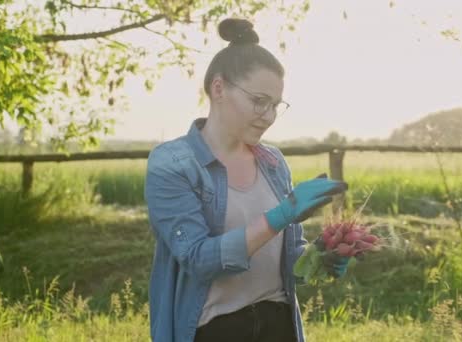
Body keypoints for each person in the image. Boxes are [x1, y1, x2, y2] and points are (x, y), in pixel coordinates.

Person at [144, 18, 349, 342]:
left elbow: (288, 254)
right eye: (259, 101)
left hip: (278, 324)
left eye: (275, 106)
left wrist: (319, 258)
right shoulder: (172, 163)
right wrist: (280, 215)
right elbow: (198, 259)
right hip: (213, 330)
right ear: (219, 88)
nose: (268, 115)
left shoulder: (273, 163)